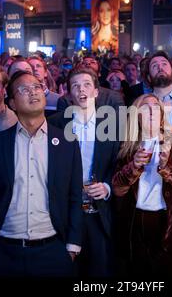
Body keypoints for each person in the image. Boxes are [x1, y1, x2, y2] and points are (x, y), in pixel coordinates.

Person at [0, 70, 83, 276]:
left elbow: (75, 197)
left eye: (37, 87)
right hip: (3, 251)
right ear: (13, 103)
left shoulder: (67, 143)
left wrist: (72, 246)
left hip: (53, 250)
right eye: (24, 89)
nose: (33, 93)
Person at [112, 93, 172, 276]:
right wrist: (133, 166)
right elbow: (117, 189)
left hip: (170, 222)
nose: (151, 111)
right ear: (137, 115)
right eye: (145, 107)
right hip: (136, 223)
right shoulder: (128, 145)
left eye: (156, 107)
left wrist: (167, 168)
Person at [49, 68, 120, 277]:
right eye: (76, 86)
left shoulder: (113, 124)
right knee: (68, 268)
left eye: (87, 84)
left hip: (99, 210)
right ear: (69, 93)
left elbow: (119, 163)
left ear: (97, 92)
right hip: (66, 210)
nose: (82, 90)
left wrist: (107, 187)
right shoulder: (55, 123)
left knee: (100, 269)